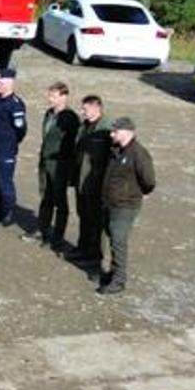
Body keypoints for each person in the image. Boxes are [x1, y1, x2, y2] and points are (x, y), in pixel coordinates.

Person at [99, 118, 155, 294]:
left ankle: (119, 280)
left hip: (125, 205)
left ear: (126, 132)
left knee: (118, 240)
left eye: (115, 131)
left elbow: (149, 180)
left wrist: (139, 193)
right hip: (111, 202)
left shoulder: (138, 153)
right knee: (111, 235)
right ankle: (114, 272)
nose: (111, 134)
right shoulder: (116, 150)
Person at [29, 82, 80, 250]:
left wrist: (69, 168)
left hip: (60, 165)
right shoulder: (49, 114)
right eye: (49, 95)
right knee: (46, 198)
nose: (49, 99)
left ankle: (58, 237)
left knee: (60, 201)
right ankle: (42, 230)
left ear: (64, 96)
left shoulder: (70, 118)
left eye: (53, 96)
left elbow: (74, 144)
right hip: (45, 161)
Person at [0, 69, 29, 225]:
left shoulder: (15, 105)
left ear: (10, 84)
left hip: (5, 149)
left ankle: (7, 212)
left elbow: (20, 130)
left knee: (4, 182)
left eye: (0, 83)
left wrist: (9, 142)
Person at [73, 95, 111, 266]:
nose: (83, 112)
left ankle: (95, 255)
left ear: (97, 108)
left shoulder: (106, 130)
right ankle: (82, 248)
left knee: (96, 220)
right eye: (83, 109)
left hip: (96, 183)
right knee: (83, 215)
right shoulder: (84, 126)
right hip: (82, 181)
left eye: (86, 109)